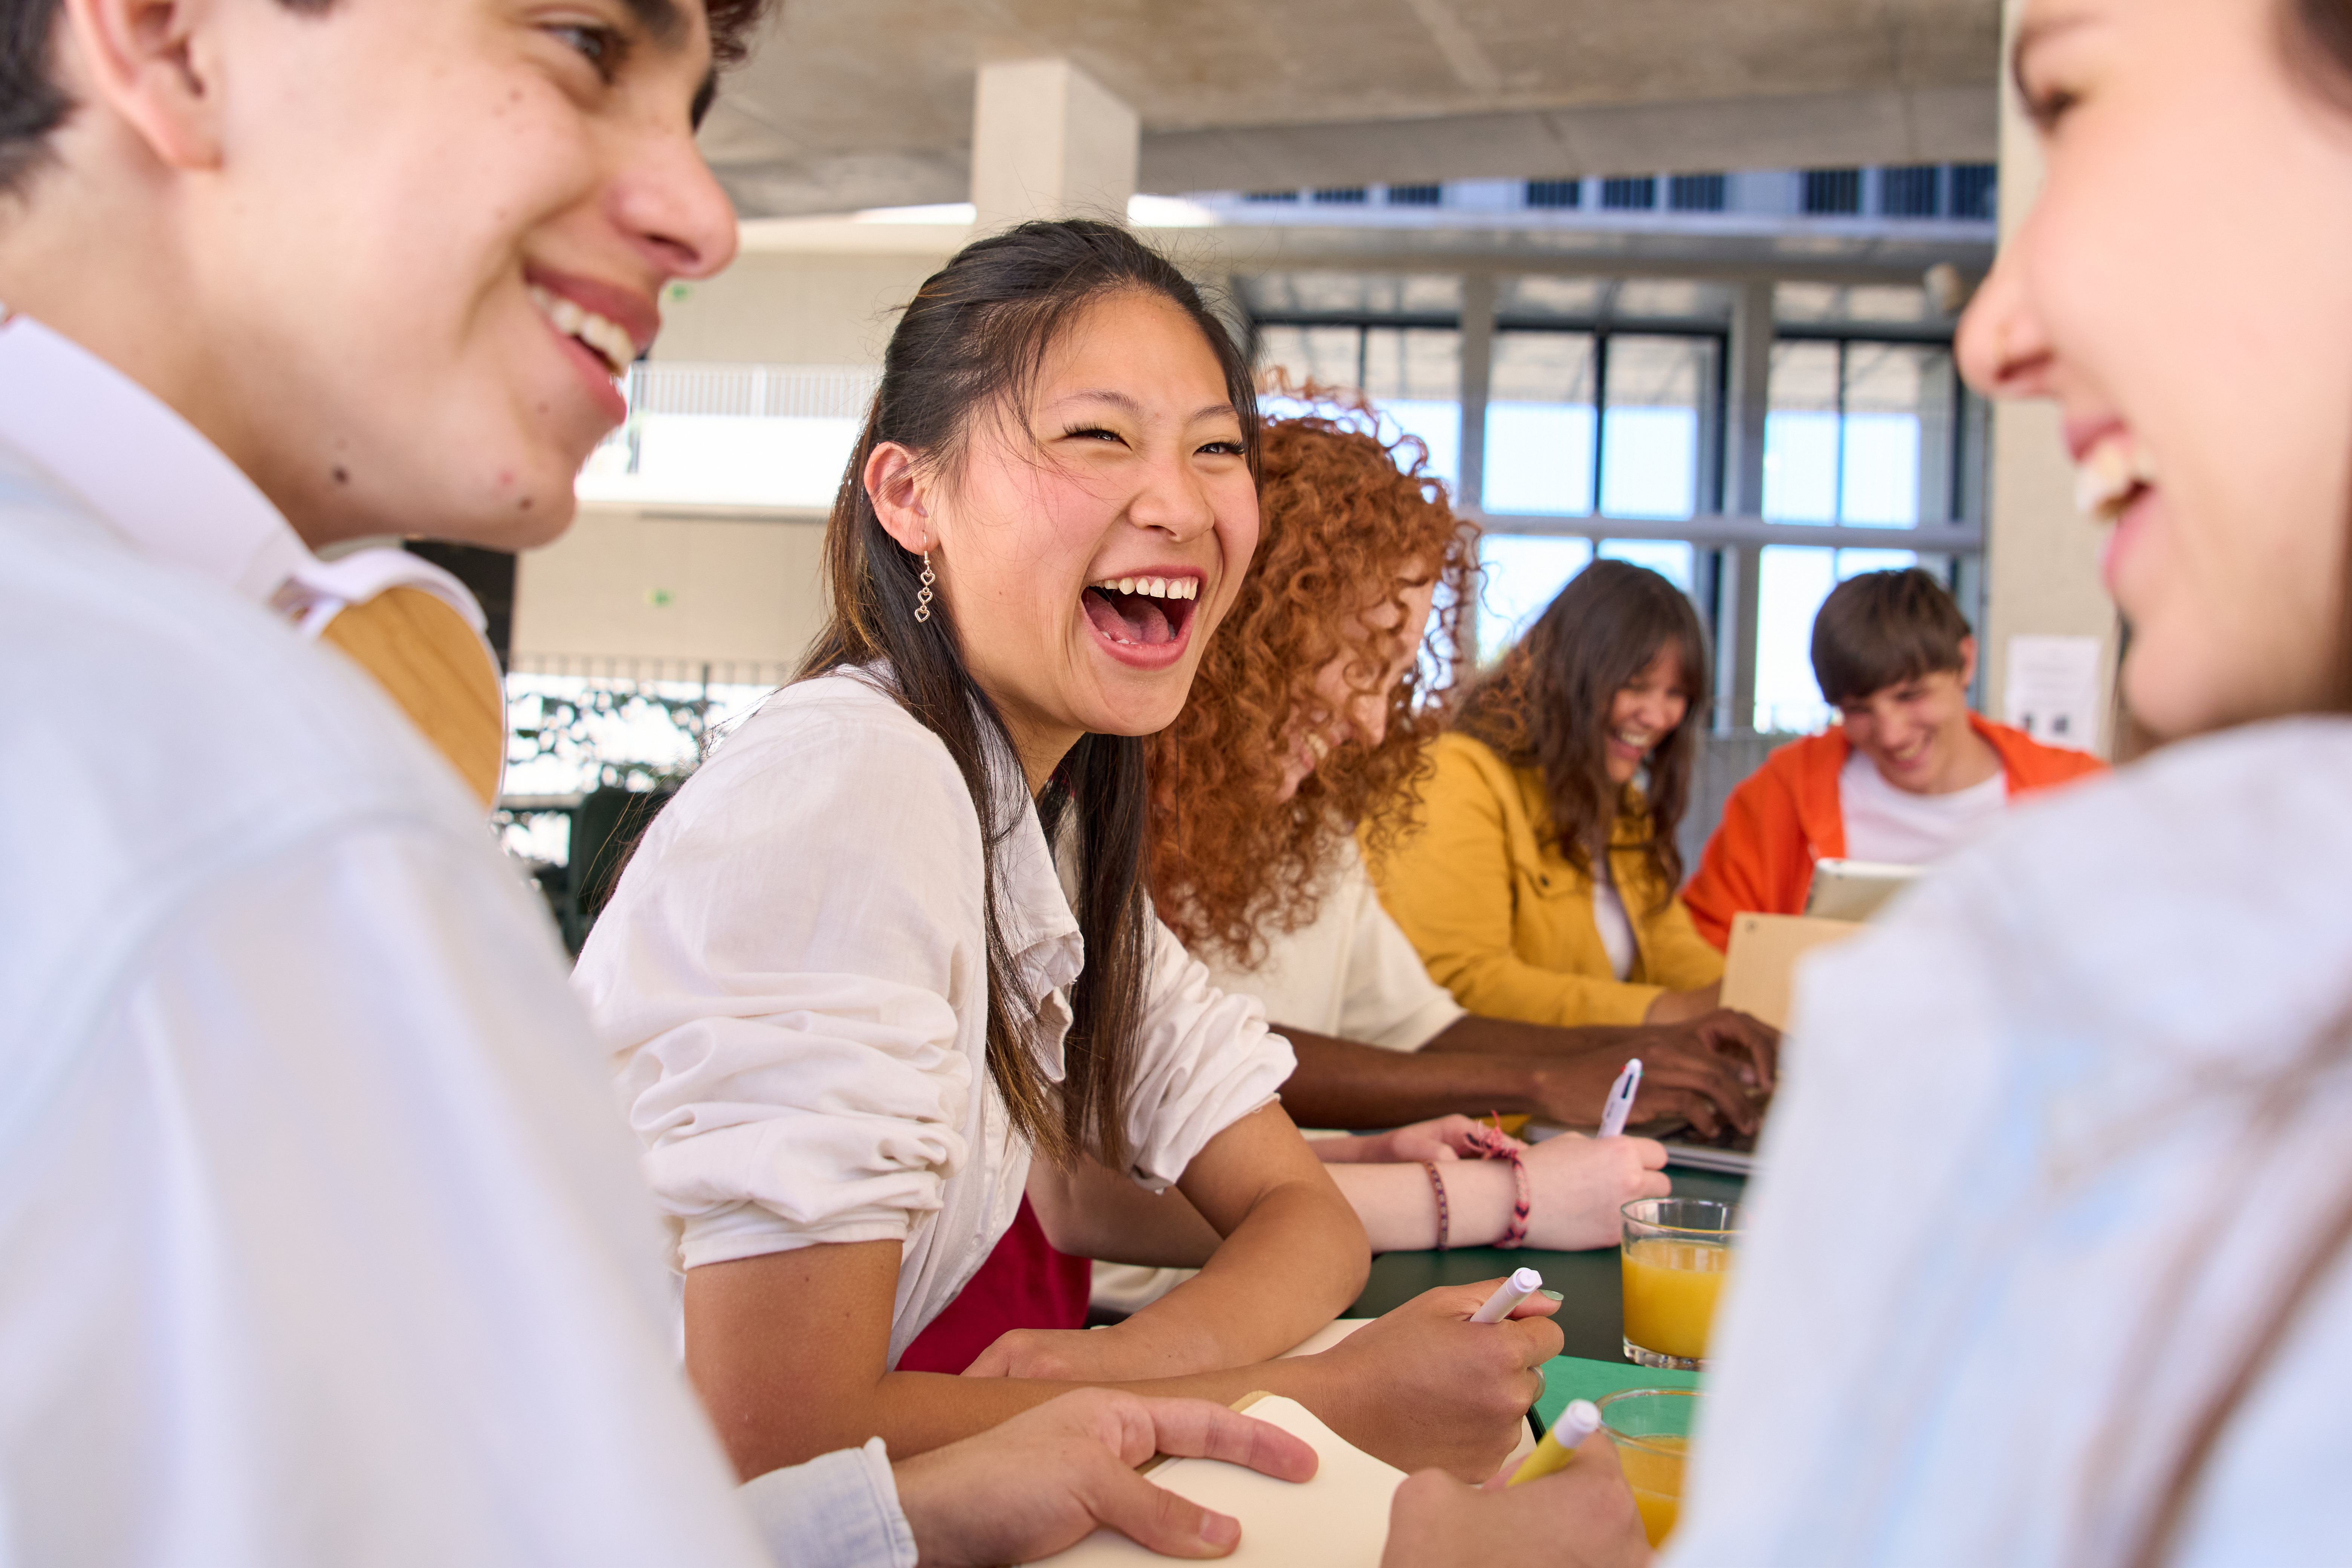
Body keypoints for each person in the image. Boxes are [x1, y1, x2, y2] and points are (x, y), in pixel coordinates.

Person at [0, 2, 1358, 1562]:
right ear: (174, 39)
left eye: (1216, 449)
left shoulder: (297, 699)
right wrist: (1298, 1405)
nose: (703, 216)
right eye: (582, 44)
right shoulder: (214, 788)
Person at [1384, 0, 2352, 1561]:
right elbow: (1500, 976)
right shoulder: (1511, 787)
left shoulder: (2050, 956)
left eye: (2073, 98)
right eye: (1635, 685)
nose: (1992, 332)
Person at [575, 220, 1560, 1487]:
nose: (1180, 500)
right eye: (1098, 437)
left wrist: (1095, 1378)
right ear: (909, 496)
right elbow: (769, 1444)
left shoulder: (1026, 818)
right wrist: (1318, 1398)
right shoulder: (854, 789)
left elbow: (1304, 1215)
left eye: (1216, 448)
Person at [1366, 561, 1730, 1028]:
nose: (1658, 716)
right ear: (1562, 674)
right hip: (1490, 1096)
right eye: (1636, 687)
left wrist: (1749, 1003)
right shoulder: (1458, 776)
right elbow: (1460, 981)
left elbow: (1672, 949)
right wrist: (1662, 1012)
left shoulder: (1625, 806)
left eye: (1677, 694)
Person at [1680, 567, 2103, 948]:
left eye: (1911, 696)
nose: (1893, 734)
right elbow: (1703, 953)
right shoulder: (1782, 795)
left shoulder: (2080, 793)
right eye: (1859, 710)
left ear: (1966, 662)